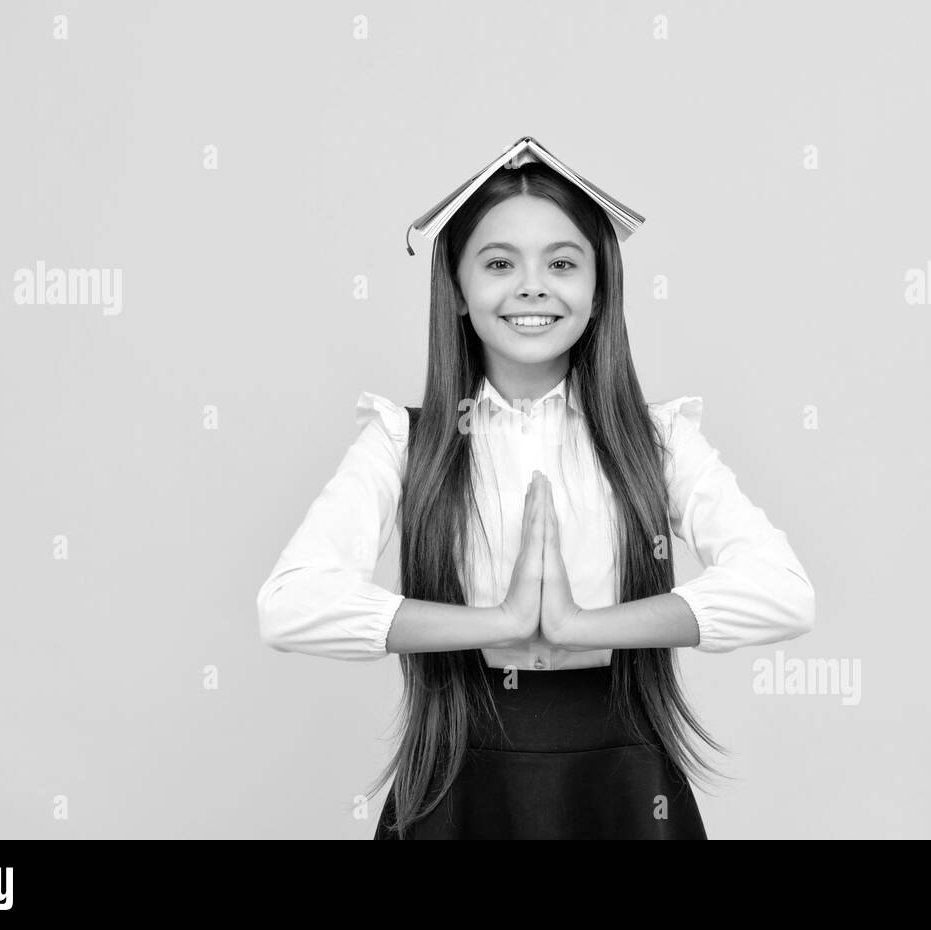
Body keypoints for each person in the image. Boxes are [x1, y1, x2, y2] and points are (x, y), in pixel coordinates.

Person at [257, 148, 816, 840]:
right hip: (457, 787)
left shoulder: (655, 440)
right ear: (457, 291)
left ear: (599, 288)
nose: (532, 287)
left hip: (624, 788)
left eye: (561, 263)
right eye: (499, 264)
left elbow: (784, 593)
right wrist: (503, 620)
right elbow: (288, 606)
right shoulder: (405, 442)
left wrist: (581, 626)